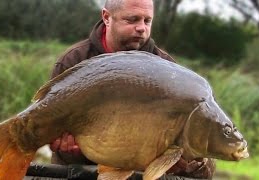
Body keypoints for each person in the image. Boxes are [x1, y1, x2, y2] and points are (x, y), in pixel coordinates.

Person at [49, 0, 215, 179]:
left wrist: (189, 163)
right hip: (79, 170)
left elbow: (200, 160)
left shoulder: (168, 70)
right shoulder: (73, 61)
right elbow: (53, 131)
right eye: (133, 20)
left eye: (147, 21)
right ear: (106, 17)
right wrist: (67, 148)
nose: (142, 28)